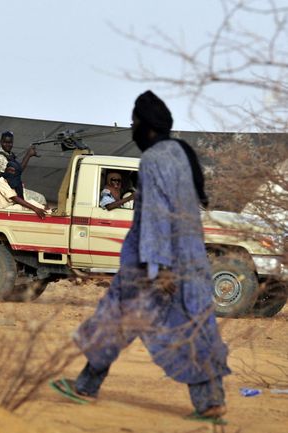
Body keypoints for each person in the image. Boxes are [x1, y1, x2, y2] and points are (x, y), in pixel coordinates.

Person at [51, 91, 229, 420]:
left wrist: (159, 268)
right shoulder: (180, 153)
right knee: (192, 328)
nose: (132, 129)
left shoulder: (155, 159)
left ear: (146, 128)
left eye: (133, 123)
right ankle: (211, 402)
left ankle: (86, 387)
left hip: (154, 267)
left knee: (118, 318)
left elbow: (158, 215)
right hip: (189, 260)